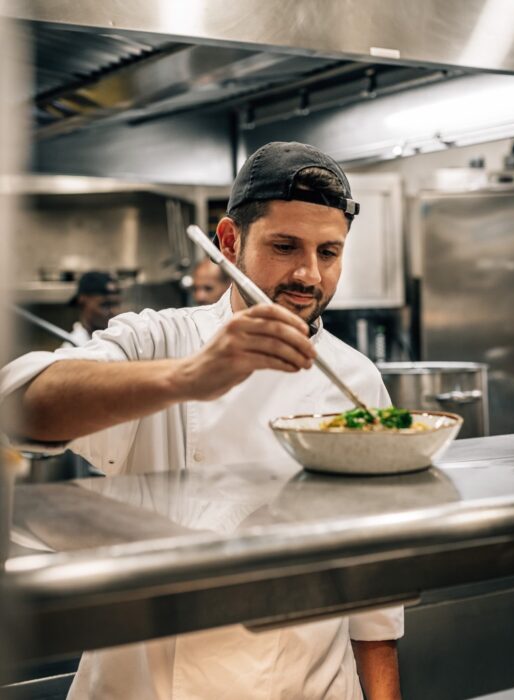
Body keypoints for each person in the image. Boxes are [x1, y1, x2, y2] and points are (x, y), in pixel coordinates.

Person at [0, 141, 403, 699]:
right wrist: (189, 376)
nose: (309, 275)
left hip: (305, 686)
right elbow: (22, 405)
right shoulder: (161, 339)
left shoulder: (356, 379)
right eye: (285, 246)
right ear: (230, 243)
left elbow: (373, 595)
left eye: (329, 252)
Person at [64, 271, 121, 347]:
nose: (114, 311)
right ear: (83, 301)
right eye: (105, 305)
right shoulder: (73, 347)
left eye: (115, 304)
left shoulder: (119, 341)